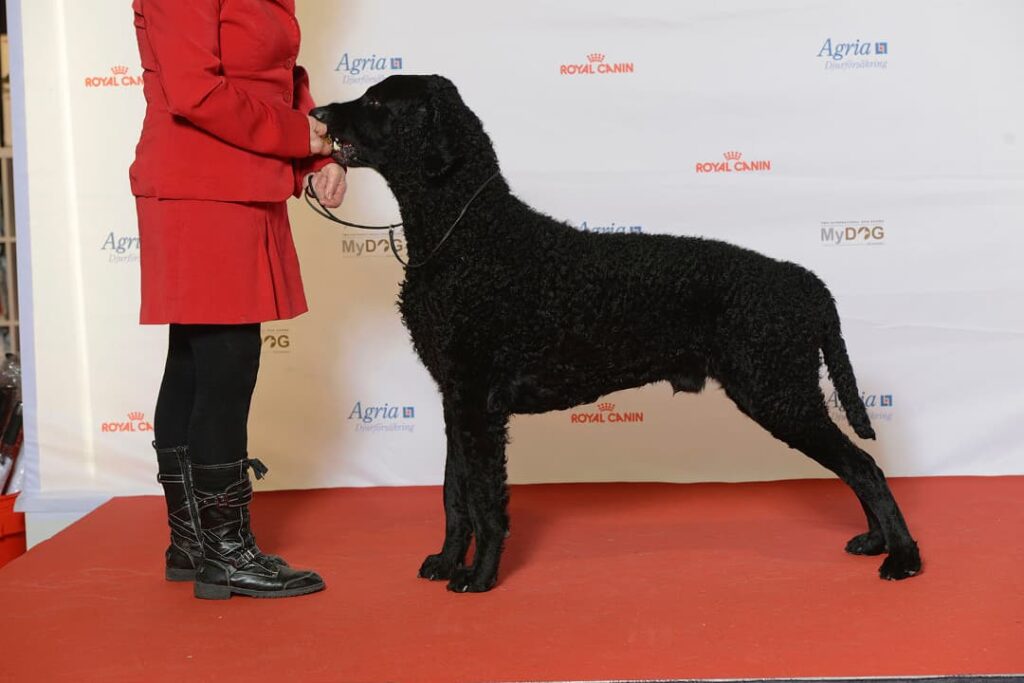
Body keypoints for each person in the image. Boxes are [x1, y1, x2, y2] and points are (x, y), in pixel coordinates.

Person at [129, 0, 345, 600]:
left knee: (196, 360)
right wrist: (300, 135)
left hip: (242, 178)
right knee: (225, 360)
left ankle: (194, 543)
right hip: (202, 184)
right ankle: (225, 552)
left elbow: (279, 75)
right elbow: (194, 90)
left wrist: (315, 154)